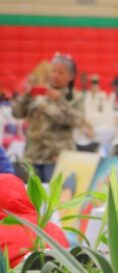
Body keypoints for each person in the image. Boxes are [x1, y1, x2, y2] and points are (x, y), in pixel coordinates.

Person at [11, 53, 85, 182]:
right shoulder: (39, 92)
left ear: (71, 76)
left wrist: (59, 101)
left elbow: (77, 121)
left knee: (54, 199)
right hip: (32, 156)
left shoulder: (75, 98)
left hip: (57, 158)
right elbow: (17, 113)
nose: (55, 75)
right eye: (53, 71)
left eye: (60, 73)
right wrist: (27, 95)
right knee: (31, 198)